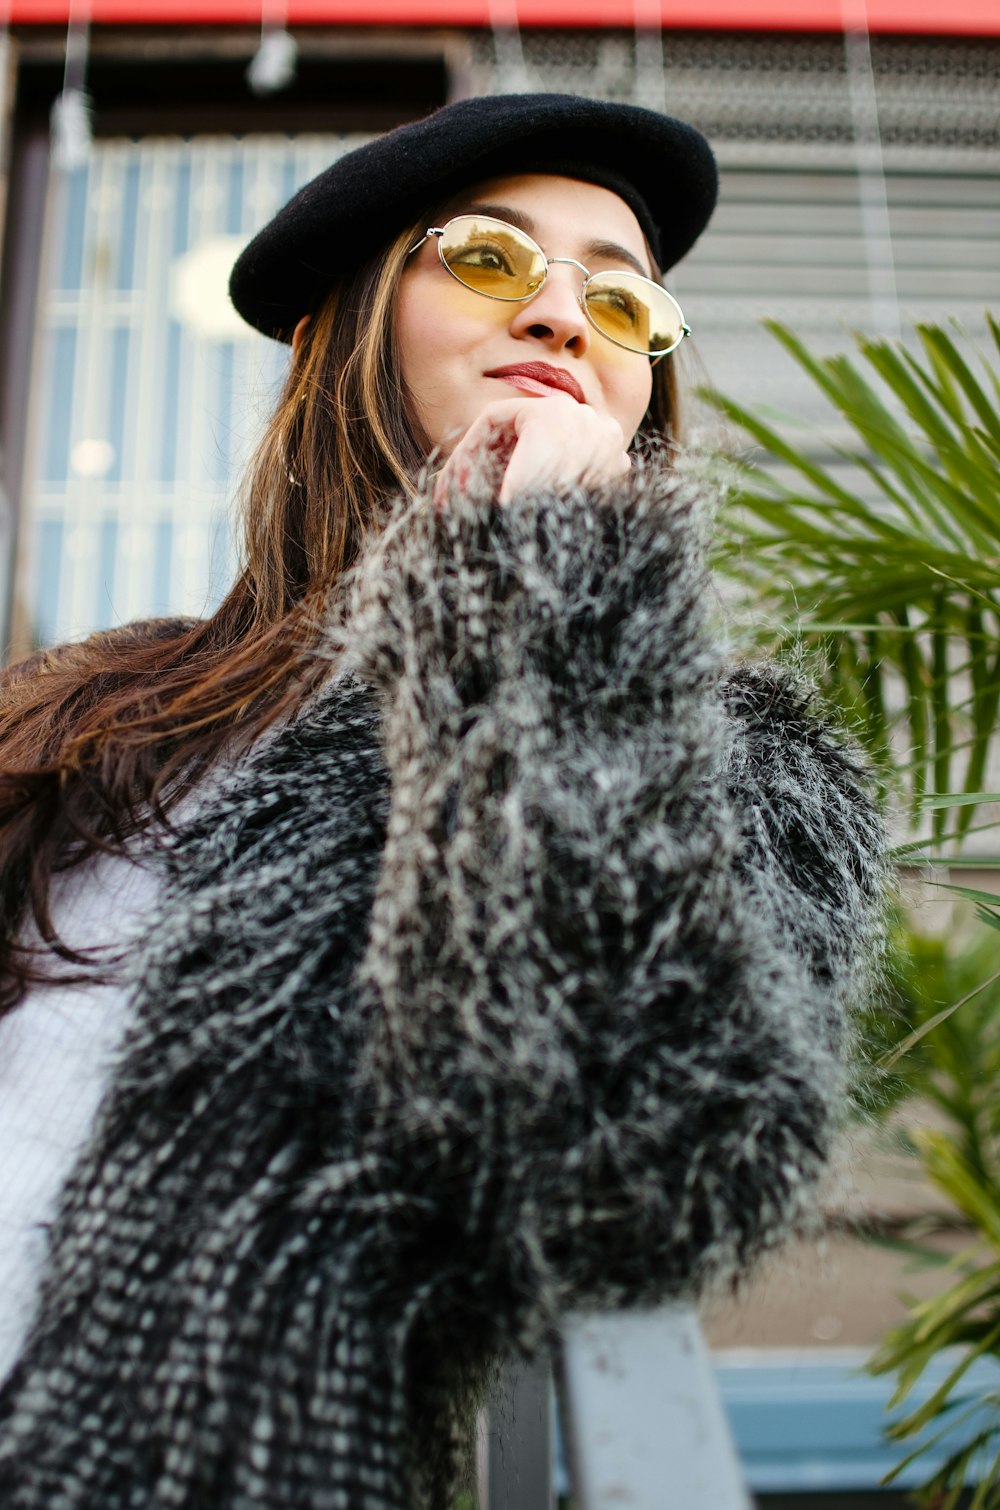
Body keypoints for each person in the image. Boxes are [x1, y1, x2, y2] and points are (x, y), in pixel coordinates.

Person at [0, 94, 886, 1509]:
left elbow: (627, 1163)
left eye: (623, 298)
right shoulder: (97, 710)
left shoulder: (748, 762)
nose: (562, 316)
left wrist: (559, 585)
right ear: (341, 329)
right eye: (488, 258)